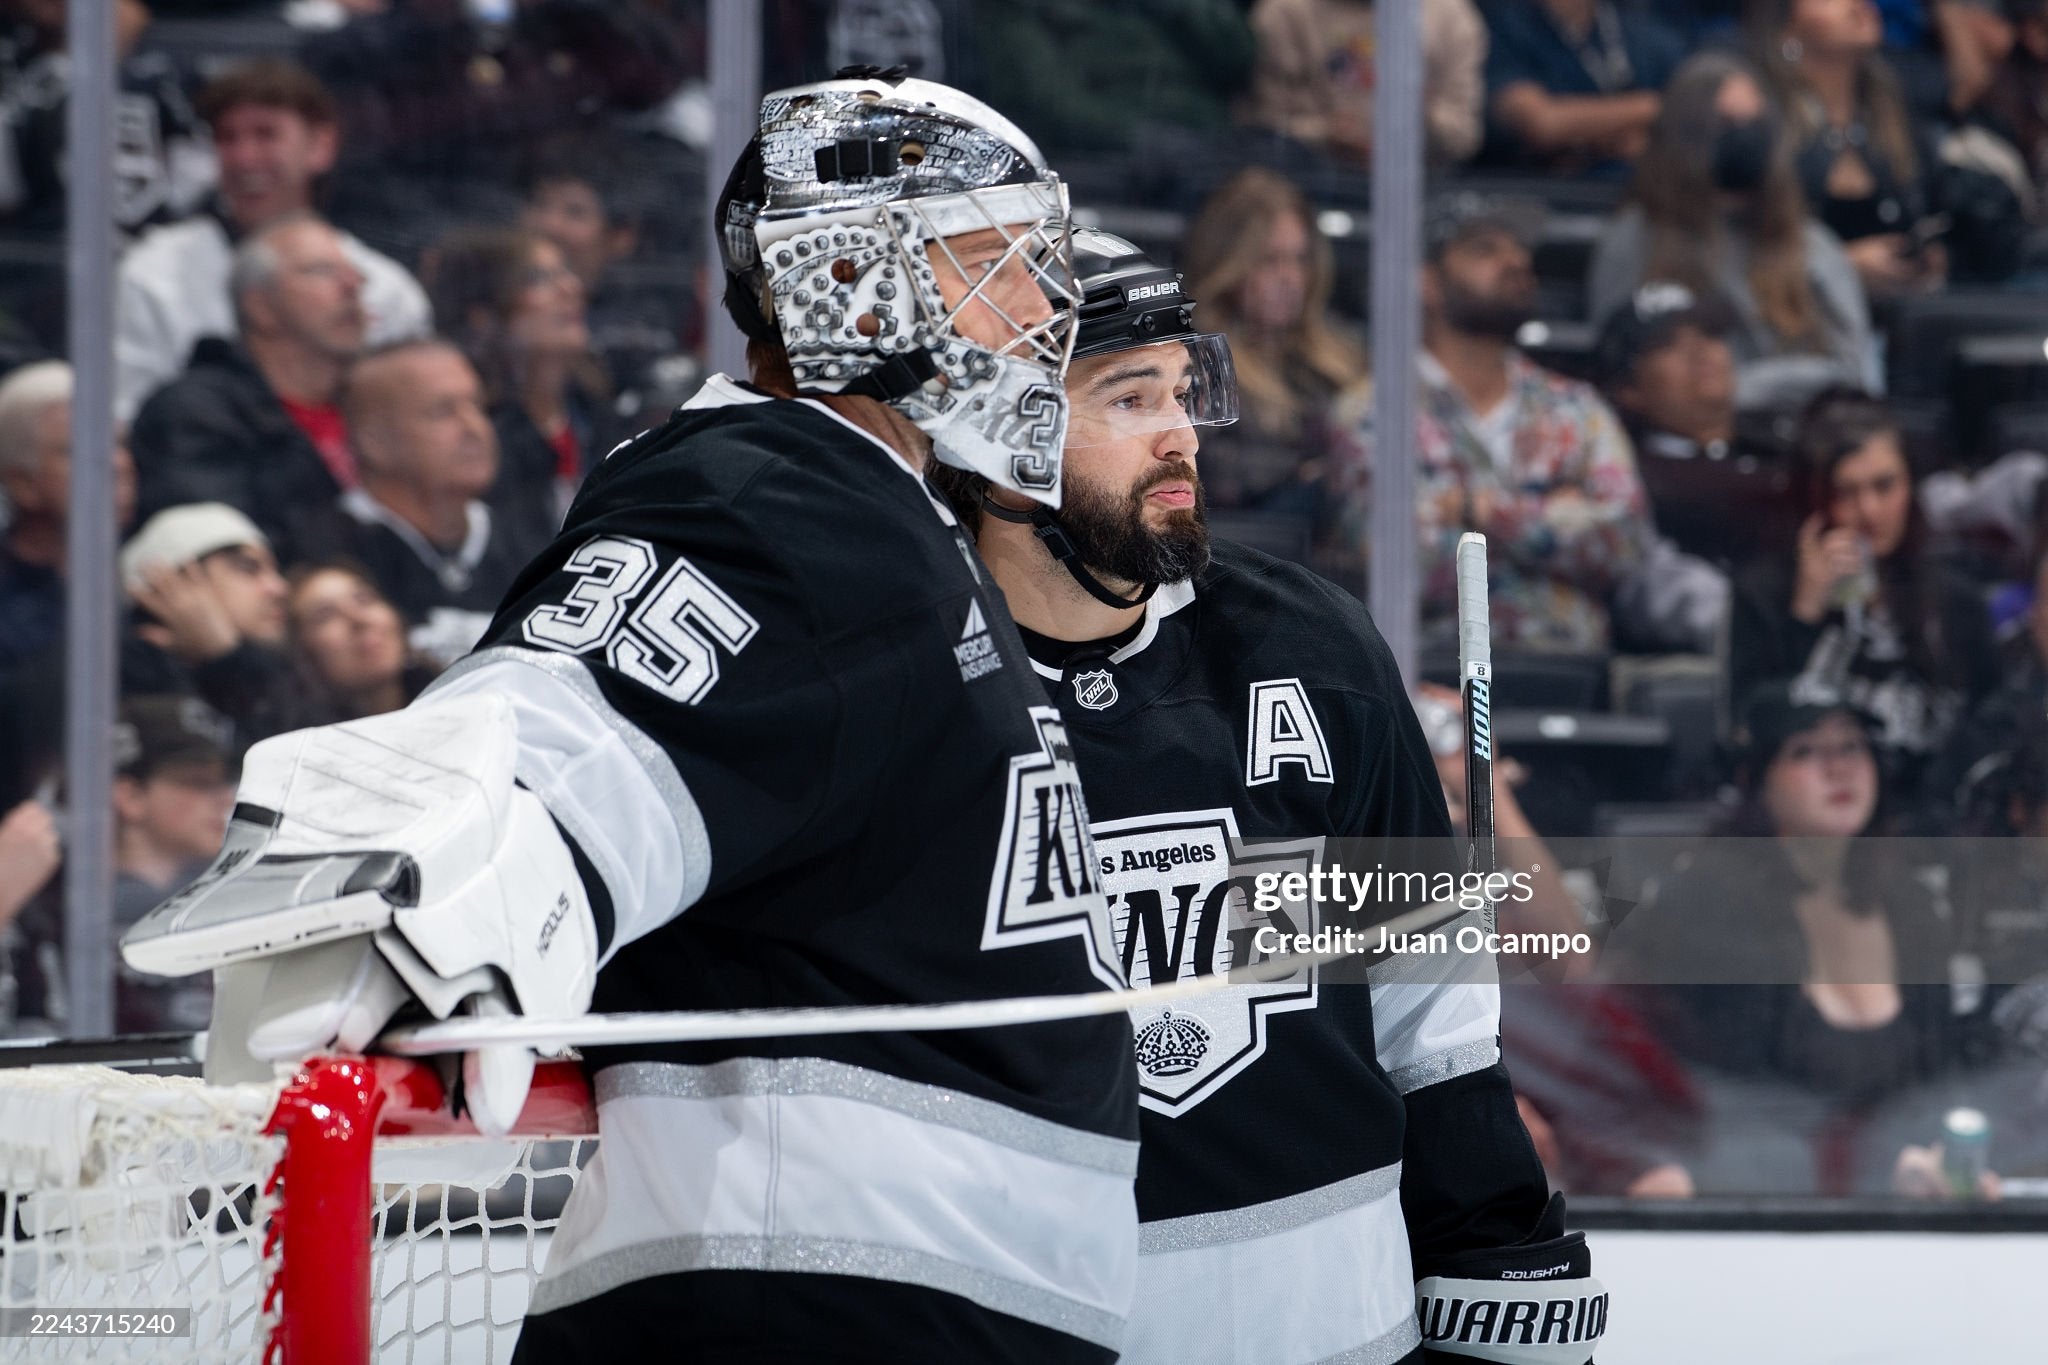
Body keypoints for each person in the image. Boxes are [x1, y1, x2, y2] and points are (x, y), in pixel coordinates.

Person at [124, 72, 1135, 1363]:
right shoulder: (782, 494)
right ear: (856, 287)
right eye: (1000, 262)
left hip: (890, 1298)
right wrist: (425, 869)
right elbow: (556, 722)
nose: (1047, 310)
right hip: (809, 1306)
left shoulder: (891, 518)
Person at [931, 231, 1603, 1365]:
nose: (1179, 431)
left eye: (1182, 391)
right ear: (996, 438)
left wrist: (1499, 1255)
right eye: (1128, 396)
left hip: (1332, 1333)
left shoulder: (1308, 642)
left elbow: (1428, 1014)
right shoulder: (906, 677)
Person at [1604, 681, 1996, 1195]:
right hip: (1752, 1207)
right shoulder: (1706, 904)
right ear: (1754, 781)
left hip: (1903, 1203)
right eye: (1805, 751)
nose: (1839, 769)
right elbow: (1722, 1104)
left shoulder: (1910, 904)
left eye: (1852, 747)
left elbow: (1939, 1083)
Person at [1731, 387, 1998, 826]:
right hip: (1813, 826)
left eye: (1884, 486)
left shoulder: (1957, 600)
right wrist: (1805, 614)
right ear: (1812, 499)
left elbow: (1988, 726)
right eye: (1845, 492)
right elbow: (1751, 736)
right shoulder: (1764, 595)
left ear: (1911, 486)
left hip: (1936, 826)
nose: (1869, 511)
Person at [113, 58, 428, 420]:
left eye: (266, 135)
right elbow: (127, 414)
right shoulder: (153, 272)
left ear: (320, 146)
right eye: (227, 138)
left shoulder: (385, 288)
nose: (244, 159)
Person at [1418, 194, 1653, 655]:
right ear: (1427, 281)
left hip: (1572, 673)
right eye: (1486, 250)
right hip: (1430, 673)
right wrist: (1554, 518)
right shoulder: (1377, 411)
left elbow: (1626, 542)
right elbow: (1403, 560)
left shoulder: (1575, 407)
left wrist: (1478, 511)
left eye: (1520, 251)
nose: (1516, 261)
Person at [1587, 51, 1879, 410]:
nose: (1745, 135)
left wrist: (1737, 388)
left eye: (1755, 121)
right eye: (1728, 122)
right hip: (1677, 441)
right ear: (1687, 135)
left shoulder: (1810, 243)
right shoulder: (1634, 239)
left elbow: (1852, 374)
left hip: (1799, 437)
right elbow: (1617, 371)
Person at [129, 215, 368, 567]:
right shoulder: (196, 415)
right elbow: (224, 560)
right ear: (260, 307)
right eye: (320, 271)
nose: (351, 285)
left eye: (354, 273)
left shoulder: (380, 405)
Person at [1179, 168, 1372, 585]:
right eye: (1269, 260)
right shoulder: (1197, 358)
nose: (1289, 278)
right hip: (1244, 570)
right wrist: (1308, 475)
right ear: (1229, 263)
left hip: (1340, 570)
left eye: (1299, 259)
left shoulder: (1341, 357)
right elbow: (1205, 480)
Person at [337, 339, 546, 664]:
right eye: (442, 412)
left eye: (478, 406)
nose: (475, 427)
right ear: (373, 442)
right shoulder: (329, 556)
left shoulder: (535, 541)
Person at [422, 227, 623, 548]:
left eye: (566, 272)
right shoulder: (476, 440)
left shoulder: (599, 413)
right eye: (538, 279)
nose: (570, 288)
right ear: (482, 317)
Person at [1749, 0, 1949, 302]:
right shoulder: (1765, 123)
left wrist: (1933, 258)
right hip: (1800, 319)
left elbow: (1935, 214)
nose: (1859, 6)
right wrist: (1842, 265)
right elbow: (1743, 250)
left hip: (1905, 315)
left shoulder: (1896, 108)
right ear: (1786, 27)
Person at [1593, 281, 1797, 568]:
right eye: (1668, 343)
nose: (1700, 351)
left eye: (1709, 333)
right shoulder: (1630, 480)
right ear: (1629, 389)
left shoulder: (1785, 436)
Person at [118, 503, 299, 747]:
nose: (279, 588)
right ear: (173, 583)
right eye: (249, 568)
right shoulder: (120, 680)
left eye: (274, 571)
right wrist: (229, 661)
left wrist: (228, 659)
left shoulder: (285, 677)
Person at [0, 361, 138, 670]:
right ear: (22, 484)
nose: (117, 464)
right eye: (83, 450)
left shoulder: (155, 577)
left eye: (119, 443)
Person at [110, 695, 235, 1034]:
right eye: (198, 782)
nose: (225, 798)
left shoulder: (237, 898)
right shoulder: (61, 909)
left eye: (225, 781)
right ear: (131, 796)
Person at [1239, 0, 1488, 170]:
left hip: (1424, 191)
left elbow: (1464, 138)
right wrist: (1324, 135)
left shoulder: (1451, 16)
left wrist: (1425, 114)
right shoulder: (1284, 12)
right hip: (1308, 184)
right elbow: (1261, 128)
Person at [1475, 0, 1687, 178]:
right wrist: (1649, 107)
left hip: (1637, 196)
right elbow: (1542, 123)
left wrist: (1584, 131)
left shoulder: (1646, 36)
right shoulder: (1505, 29)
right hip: (1538, 197)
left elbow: (1686, 124)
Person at [285, 560, 441, 723]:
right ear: (302, 651)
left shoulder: (457, 695)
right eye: (326, 615)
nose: (358, 618)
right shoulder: (295, 744)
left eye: (364, 599)